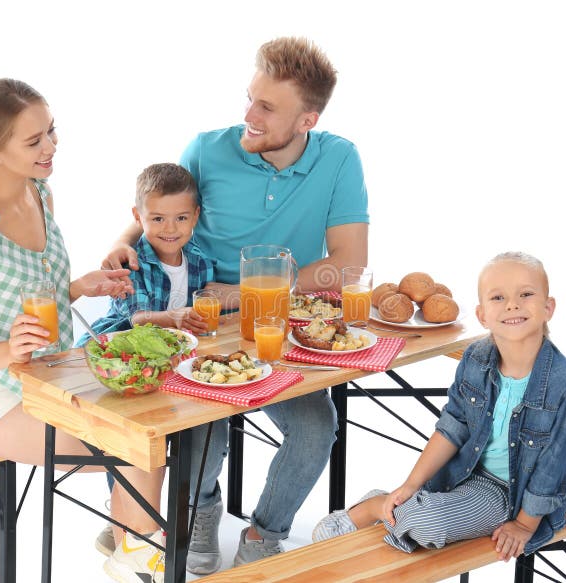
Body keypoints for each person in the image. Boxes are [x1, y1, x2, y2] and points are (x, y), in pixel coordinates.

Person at [101, 37, 369, 573]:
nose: (248, 115)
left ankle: (265, 533)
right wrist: (121, 243)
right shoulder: (207, 150)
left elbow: (348, 264)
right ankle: (200, 513)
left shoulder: (339, 159)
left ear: (307, 120)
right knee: (207, 421)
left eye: (266, 107)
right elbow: (161, 207)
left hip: (278, 328)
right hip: (200, 323)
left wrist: (249, 294)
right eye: (250, 97)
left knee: (317, 427)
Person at [0, 79, 168, 583]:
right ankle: (139, 553)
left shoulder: (39, 193)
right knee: (131, 445)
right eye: (34, 140)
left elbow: (38, 297)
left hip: (46, 375)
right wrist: (8, 348)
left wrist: (78, 287)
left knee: (149, 424)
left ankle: (132, 542)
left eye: (52, 132)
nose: (51, 147)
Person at [312, 252, 566, 562]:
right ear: (482, 315)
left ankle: (376, 507)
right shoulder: (476, 358)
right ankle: (400, 504)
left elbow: (551, 469)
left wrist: (524, 525)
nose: (512, 305)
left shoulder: (565, 388)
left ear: (548, 308)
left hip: (509, 495)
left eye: (525, 294)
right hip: (462, 469)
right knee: (422, 508)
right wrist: (410, 485)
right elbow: (452, 427)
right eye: (498, 297)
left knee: (428, 524)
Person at [76, 162, 215, 345]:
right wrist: (173, 317)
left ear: (195, 216)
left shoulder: (200, 262)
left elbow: (204, 308)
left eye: (181, 218)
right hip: (114, 346)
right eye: (158, 219)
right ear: (137, 217)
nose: (170, 229)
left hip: (167, 350)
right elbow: (138, 319)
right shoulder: (130, 264)